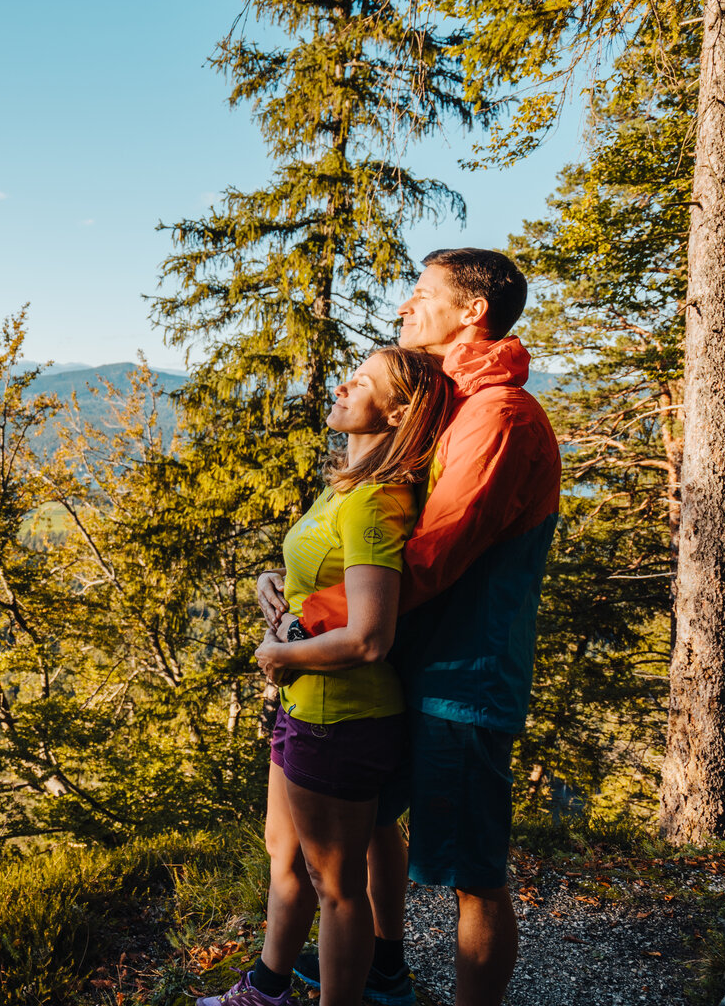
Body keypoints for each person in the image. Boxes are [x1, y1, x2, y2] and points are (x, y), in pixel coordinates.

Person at [257, 248, 561, 1006]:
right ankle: (382, 967)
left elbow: (431, 552)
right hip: (414, 668)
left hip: (464, 678)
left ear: (472, 313)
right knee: (371, 828)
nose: (404, 306)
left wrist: (313, 622)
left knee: (472, 873)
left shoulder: (499, 416)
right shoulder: (458, 401)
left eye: (421, 294)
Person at [198, 346, 457, 1006]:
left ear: (396, 411)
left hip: (342, 717)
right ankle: (266, 988)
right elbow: (336, 578)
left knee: (335, 888)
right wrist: (276, 582)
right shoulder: (346, 483)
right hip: (306, 709)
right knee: (284, 857)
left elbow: (371, 636)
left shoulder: (375, 500)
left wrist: (280, 658)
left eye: (362, 381)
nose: (342, 384)